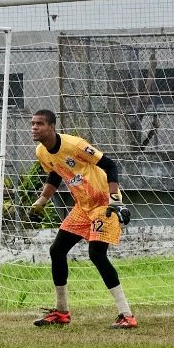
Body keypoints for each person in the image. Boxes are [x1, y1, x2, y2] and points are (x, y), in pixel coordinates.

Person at [28, 109, 137, 329]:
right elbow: (56, 173)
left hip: (103, 204)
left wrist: (116, 200)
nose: (34, 128)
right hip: (83, 207)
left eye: (39, 124)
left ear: (52, 127)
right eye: (32, 124)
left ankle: (127, 315)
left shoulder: (75, 145)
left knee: (96, 254)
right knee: (57, 250)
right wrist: (42, 200)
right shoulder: (42, 151)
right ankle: (61, 311)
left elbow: (110, 165)